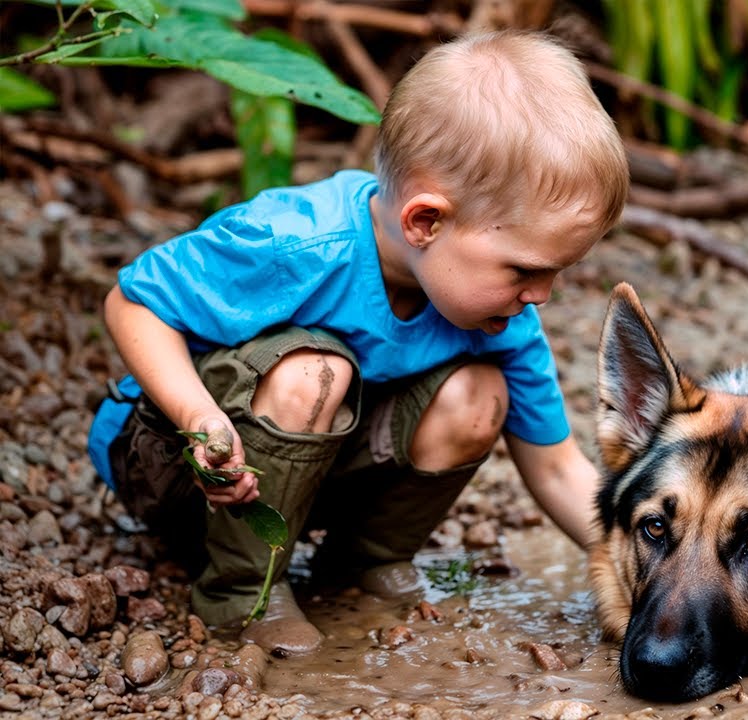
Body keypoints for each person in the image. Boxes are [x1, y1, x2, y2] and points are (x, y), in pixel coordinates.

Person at [86, 29, 629, 656]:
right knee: (315, 373)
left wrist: (639, 575)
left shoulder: (501, 319)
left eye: (557, 273)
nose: (542, 295)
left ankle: (359, 561)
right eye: (525, 270)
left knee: (480, 394)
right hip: (174, 463)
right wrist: (196, 417)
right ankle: (243, 590)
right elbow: (132, 303)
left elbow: (557, 466)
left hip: (302, 485)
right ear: (426, 221)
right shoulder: (294, 245)